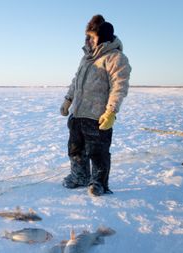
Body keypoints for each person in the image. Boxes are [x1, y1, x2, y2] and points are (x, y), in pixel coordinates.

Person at [60, 15, 131, 196]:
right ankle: (79, 176)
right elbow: (76, 80)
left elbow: (119, 87)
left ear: (103, 37)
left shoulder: (115, 58)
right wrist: (68, 100)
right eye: (87, 36)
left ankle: (98, 183)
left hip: (98, 116)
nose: (88, 40)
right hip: (78, 114)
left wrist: (111, 112)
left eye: (92, 36)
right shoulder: (86, 58)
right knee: (75, 150)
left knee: (98, 153)